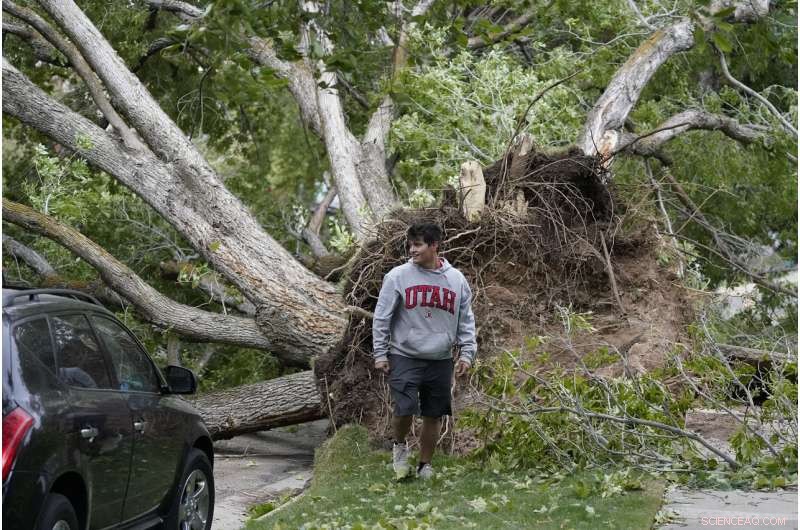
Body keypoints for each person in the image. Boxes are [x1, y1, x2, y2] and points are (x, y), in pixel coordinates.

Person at [373, 222, 477, 480]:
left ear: (434, 245)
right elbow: (382, 317)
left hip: (440, 358)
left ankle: (424, 465)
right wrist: (380, 353)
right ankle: (399, 447)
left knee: (434, 413)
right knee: (405, 407)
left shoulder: (456, 279)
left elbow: (466, 319)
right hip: (404, 354)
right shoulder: (397, 276)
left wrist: (466, 352)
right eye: (410, 245)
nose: (412, 250)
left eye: (417, 244)